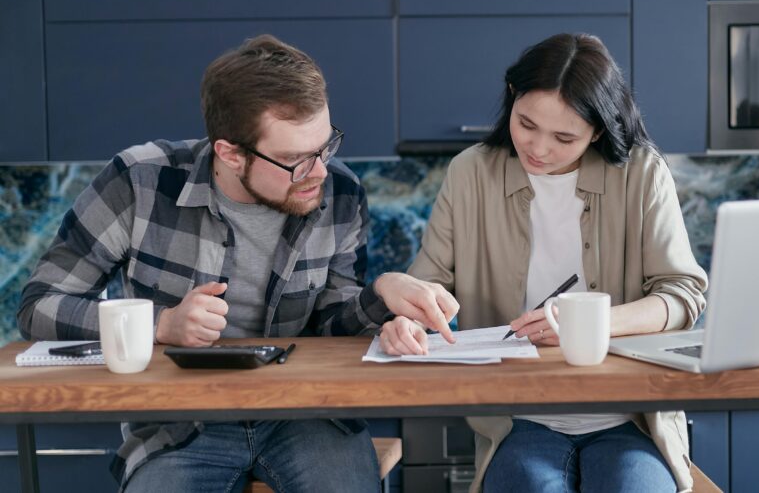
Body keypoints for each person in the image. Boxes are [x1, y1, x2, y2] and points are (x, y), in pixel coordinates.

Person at [16, 34, 458, 493]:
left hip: (306, 412)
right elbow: (40, 305)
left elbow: (332, 325)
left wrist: (383, 291)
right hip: (179, 422)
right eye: (295, 161)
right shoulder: (139, 182)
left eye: (325, 147)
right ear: (230, 153)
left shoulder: (341, 194)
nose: (321, 172)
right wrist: (161, 323)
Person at [377, 33, 708, 492]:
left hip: (629, 414)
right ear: (511, 97)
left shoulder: (642, 173)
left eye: (564, 137)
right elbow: (427, 284)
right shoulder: (471, 173)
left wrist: (589, 325)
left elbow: (682, 294)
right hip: (518, 417)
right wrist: (408, 319)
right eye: (526, 123)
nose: (538, 148)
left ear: (598, 129)